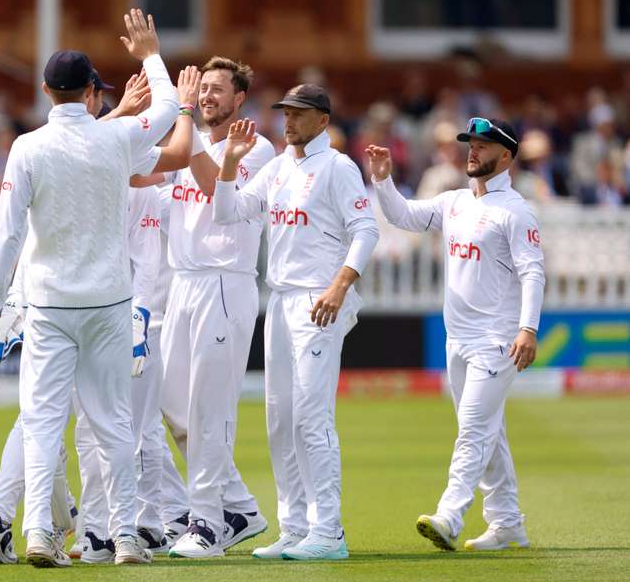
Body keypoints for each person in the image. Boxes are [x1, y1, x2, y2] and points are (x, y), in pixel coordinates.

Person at [0, 9, 177, 567]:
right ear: (91, 90)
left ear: (45, 91)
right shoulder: (115, 138)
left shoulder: (28, 147)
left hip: (49, 303)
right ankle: (127, 538)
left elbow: (8, 232)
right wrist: (150, 54)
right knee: (114, 422)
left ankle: (39, 531)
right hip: (109, 300)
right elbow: (168, 109)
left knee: (42, 420)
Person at [212, 84, 379, 560]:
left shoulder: (338, 167)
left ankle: (329, 531)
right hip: (281, 299)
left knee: (311, 416)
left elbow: (365, 231)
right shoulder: (278, 167)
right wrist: (230, 161)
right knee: (279, 420)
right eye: (285, 112)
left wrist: (340, 285)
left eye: (299, 114)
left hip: (318, 298)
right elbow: (228, 212)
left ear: (323, 120)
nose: (288, 121)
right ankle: (295, 526)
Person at [367, 117, 545, 552]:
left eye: (482, 145)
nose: (472, 151)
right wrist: (384, 181)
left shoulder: (516, 211)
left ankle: (450, 514)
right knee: (488, 431)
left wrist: (528, 328)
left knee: (472, 430)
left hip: (497, 339)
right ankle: (506, 523)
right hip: (458, 338)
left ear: (505, 156)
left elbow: (533, 270)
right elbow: (403, 216)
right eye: (470, 143)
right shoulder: (453, 202)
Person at [160, 56, 275, 559]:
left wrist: (182, 111)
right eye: (201, 88)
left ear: (238, 99)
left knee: (210, 409)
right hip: (181, 283)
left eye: (216, 90)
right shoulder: (187, 140)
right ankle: (240, 509)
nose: (207, 96)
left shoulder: (255, 146)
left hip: (224, 283)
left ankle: (206, 522)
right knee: (175, 408)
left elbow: (212, 186)